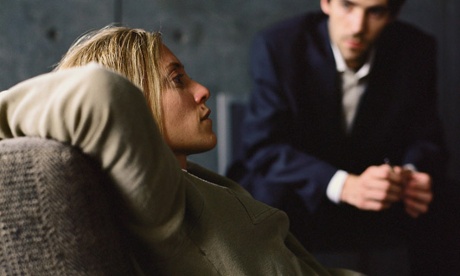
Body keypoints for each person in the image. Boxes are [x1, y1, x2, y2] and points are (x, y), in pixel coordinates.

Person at [0, 26, 363, 275]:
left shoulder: (196, 182)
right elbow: (100, 90)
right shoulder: (161, 203)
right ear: (135, 100)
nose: (202, 90)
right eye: (177, 80)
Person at [227, 0, 447, 275]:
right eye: (348, 5)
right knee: (266, 192)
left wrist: (411, 175)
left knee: (442, 199)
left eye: (375, 11)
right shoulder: (279, 45)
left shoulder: (416, 48)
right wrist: (343, 185)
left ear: (392, 15)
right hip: (305, 186)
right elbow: (263, 146)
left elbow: (427, 137)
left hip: (378, 188)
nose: (358, 27)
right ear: (326, 3)